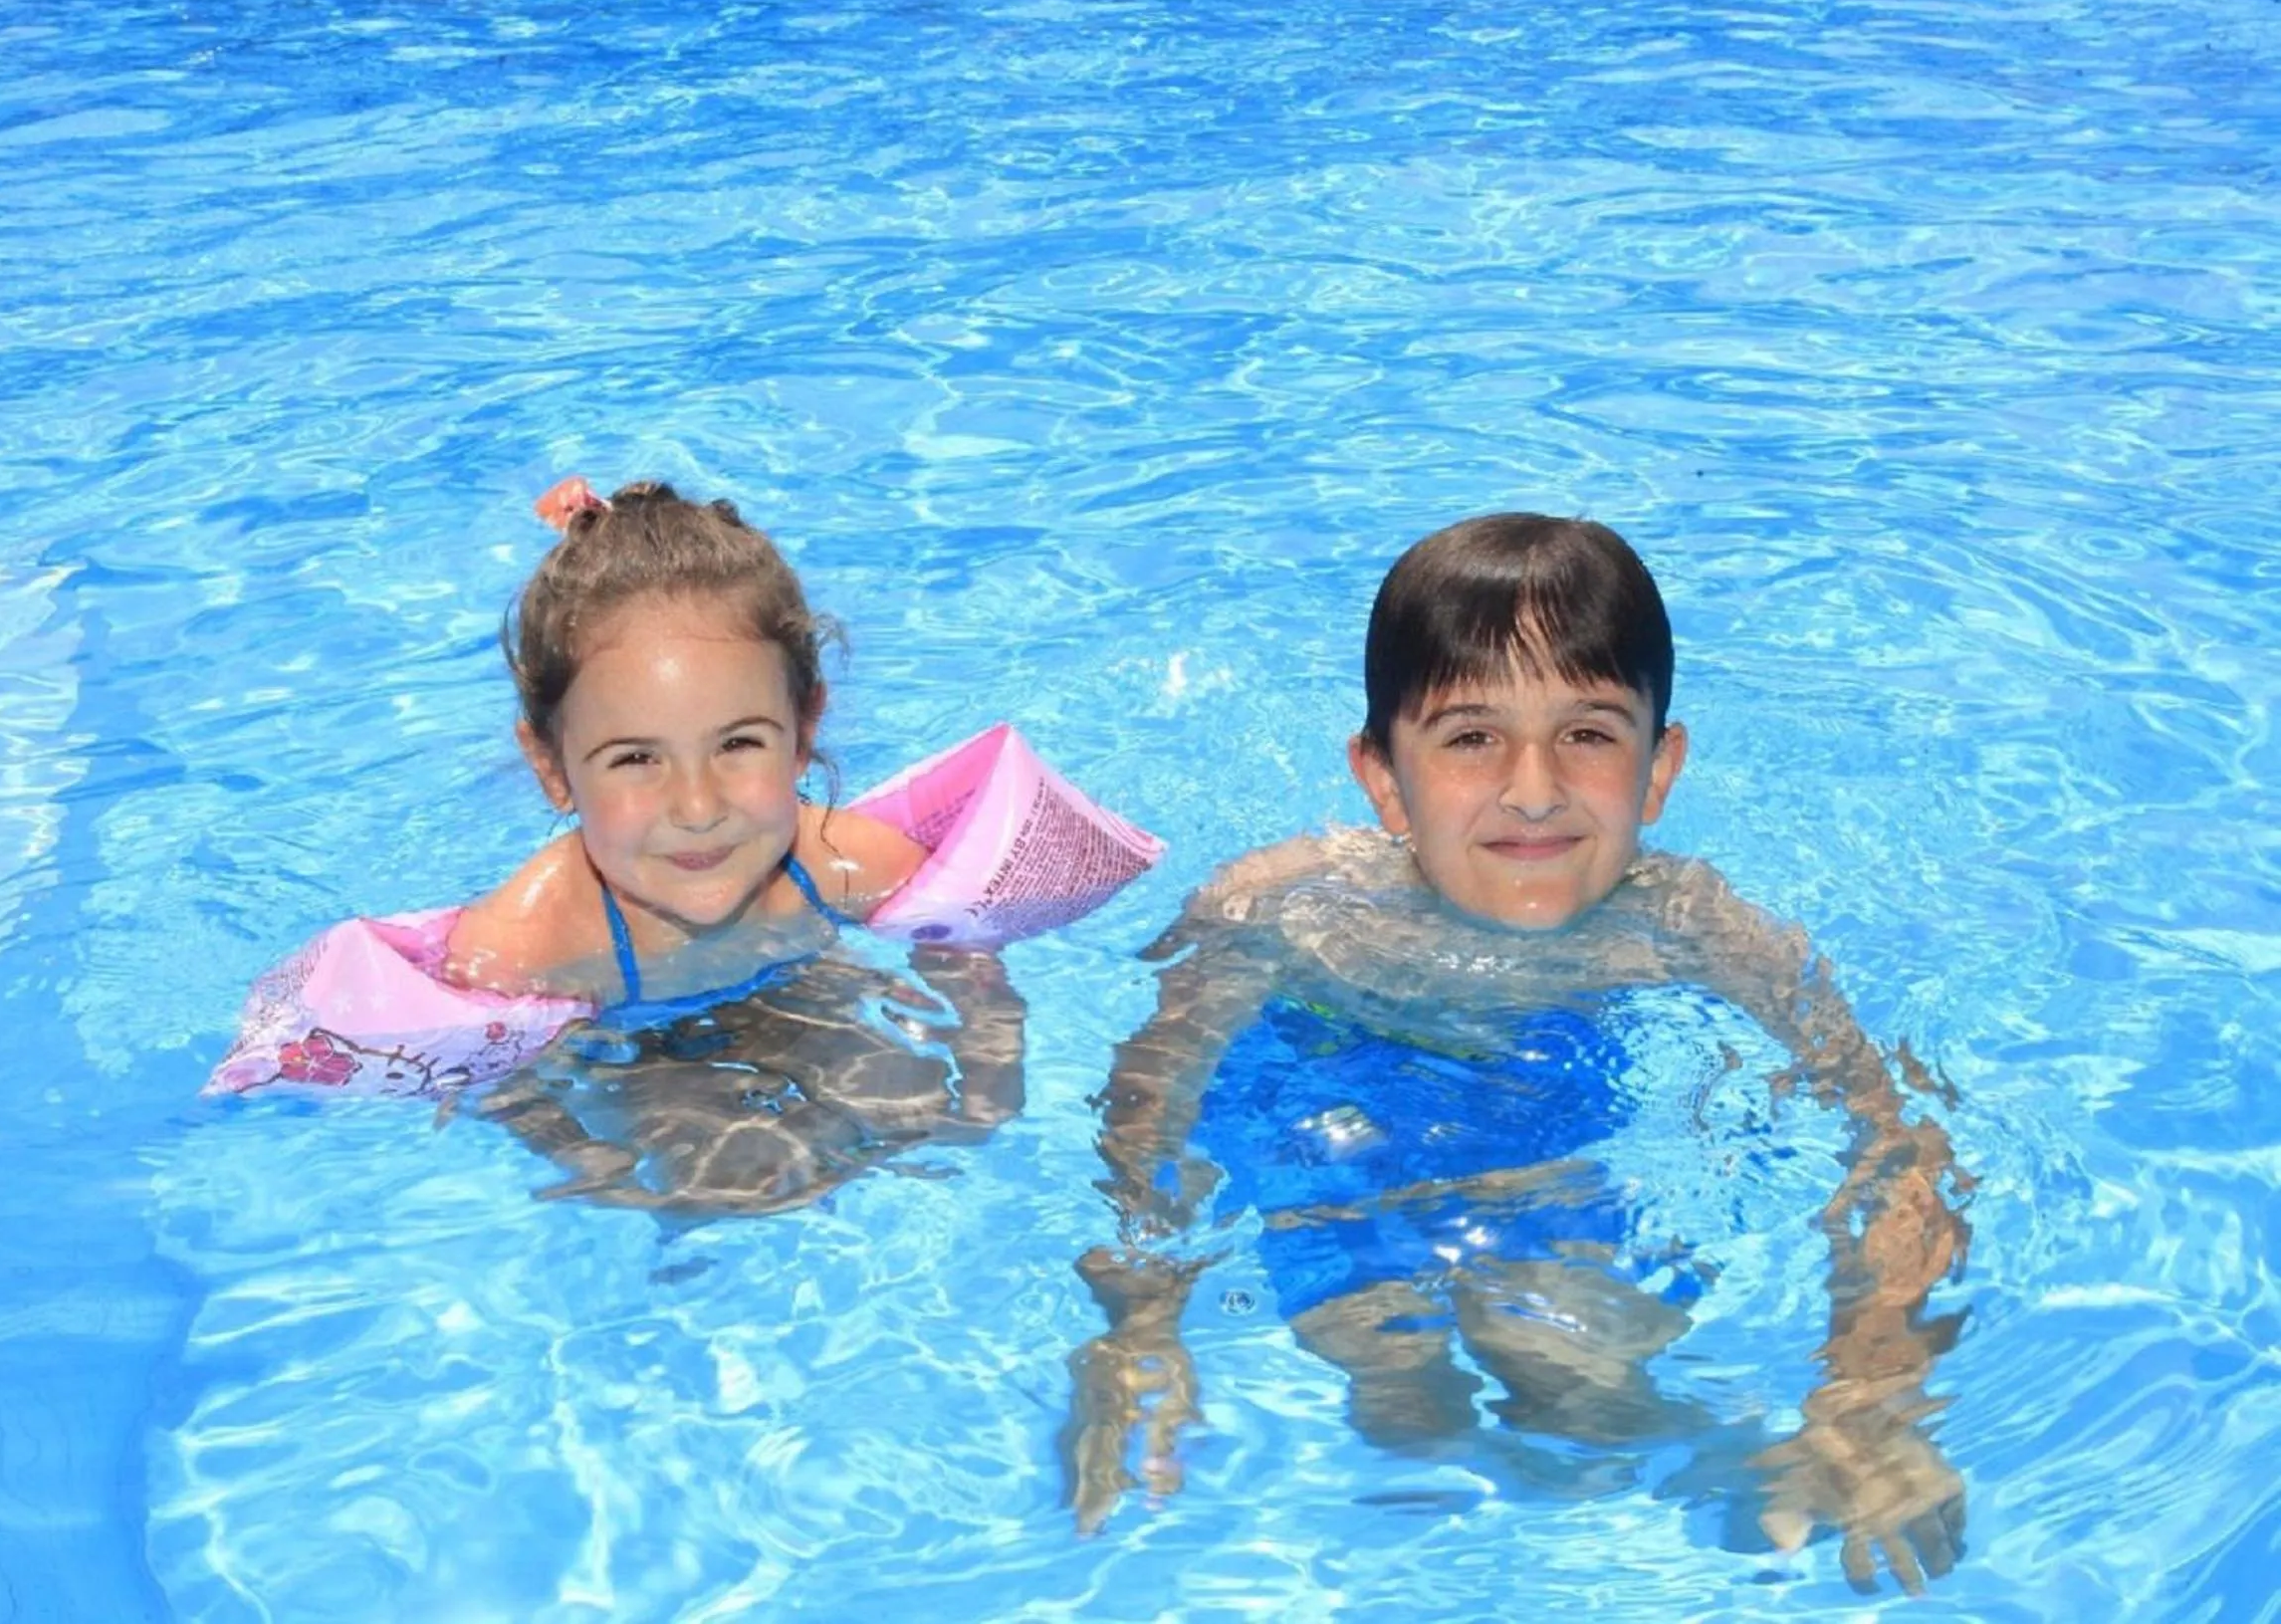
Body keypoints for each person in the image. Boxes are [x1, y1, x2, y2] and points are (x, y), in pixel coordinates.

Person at [1062, 513, 1973, 1595]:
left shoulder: (1697, 929)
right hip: (1323, 1122)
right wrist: (1141, 1319)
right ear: (1383, 778)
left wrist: (1873, 1383)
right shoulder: (1285, 910)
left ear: (1659, 766)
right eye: (1469, 738)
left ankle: (1716, 1487)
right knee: (1395, 1388)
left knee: (1582, 1377)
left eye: (1586, 733)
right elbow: (1151, 1098)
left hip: (1540, 1131)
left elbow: (1895, 1138)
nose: (1533, 789)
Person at [445, 475, 1023, 1207]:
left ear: (804, 730)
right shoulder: (528, 946)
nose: (697, 806)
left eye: (738, 744)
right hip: (623, 1045)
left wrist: (990, 1065)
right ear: (552, 768)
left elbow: (965, 957)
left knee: (911, 1098)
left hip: (793, 985)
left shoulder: (842, 863)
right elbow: (499, 1086)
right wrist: (587, 1161)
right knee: (719, 1183)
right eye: (636, 758)